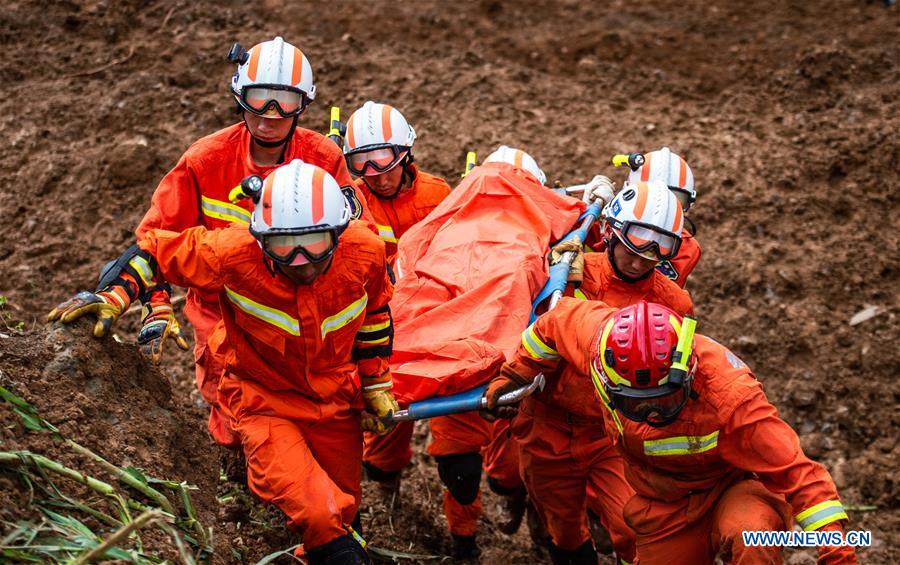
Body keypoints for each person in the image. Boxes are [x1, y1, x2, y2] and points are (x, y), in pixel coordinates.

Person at [50, 160, 396, 564]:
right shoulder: (231, 252)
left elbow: (376, 316)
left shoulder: (365, 253)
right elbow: (154, 253)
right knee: (320, 513)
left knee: (344, 510)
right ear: (261, 236)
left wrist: (376, 385)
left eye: (314, 243)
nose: (300, 260)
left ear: (339, 233)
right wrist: (113, 295)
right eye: (284, 245)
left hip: (336, 400)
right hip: (263, 402)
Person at [131, 36, 372, 446]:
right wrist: (155, 304)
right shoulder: (205, 160)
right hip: (219, 313)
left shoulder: (324, 159)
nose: (269, 116)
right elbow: (156, 239)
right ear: (239, 97)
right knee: (231, 413)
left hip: (301, 306)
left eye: (284, 103)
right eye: (258, 100)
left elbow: (353, 238)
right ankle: (240, 490)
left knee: (317, 411)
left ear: (304, 104)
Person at [487, 299, 858, 564]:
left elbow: (801, 477)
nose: (650, 413)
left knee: (752, 536)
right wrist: (517, 373)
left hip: (730, 488)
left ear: (687, 373)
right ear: (605, 378)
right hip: (664, 503)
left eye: (663, 401)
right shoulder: (599, 342)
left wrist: (837, 554)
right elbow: (551, 324)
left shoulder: (730, 397)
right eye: (635, 404)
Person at [483, 181, 691, 565]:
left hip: (611, 432)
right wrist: (512, 379)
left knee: (633, 526)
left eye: (659, 245)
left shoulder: (673, 301)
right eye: (636, 238)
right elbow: (533, 326)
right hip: (546, 427)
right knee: (563, 531)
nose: (642, 256)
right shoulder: (567, 274)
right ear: (612, 230)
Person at [343, 101, 451, 265]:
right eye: (370, 175)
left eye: (389, 170)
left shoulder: (438, 194)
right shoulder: (354, 203)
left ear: (405, 158)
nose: (381, 181)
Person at [624, 147, 701, 287]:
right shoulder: (603, 222)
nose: (664, 206)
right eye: (648, 194)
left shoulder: (687, 249)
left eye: (675, 198)